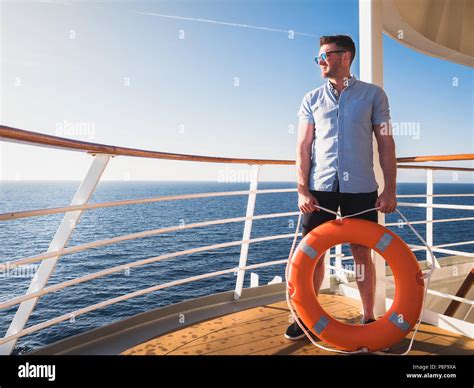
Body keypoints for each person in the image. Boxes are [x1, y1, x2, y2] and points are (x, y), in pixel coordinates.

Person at [285, 35, 397, 341]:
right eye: (318, 58)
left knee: (362, 253)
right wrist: (302, 189)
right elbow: (303, 147)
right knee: (312, 255)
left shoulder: (374, 96)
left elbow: (385, 141)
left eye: (324, 56)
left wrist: (390, 189)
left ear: (345, 56)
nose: (320, 62)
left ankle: (368, 318)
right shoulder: (311, 99)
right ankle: (306, 316)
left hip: (360, 188)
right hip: (319, 189)